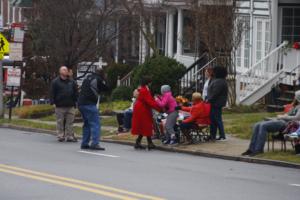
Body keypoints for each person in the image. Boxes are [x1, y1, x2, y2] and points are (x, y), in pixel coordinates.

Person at [242, 91, 300, 156]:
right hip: (281, 120)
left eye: (295, 96)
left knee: (263, 126)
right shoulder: (295, 106)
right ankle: (251, 149)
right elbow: (288, 114)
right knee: (257, 124)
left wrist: (284, 116)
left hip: (287, 124)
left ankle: (259, 150)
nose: (294, 97)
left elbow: (297, 118)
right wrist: (281, 116)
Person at [78, 68, 109, 150]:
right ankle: (95, 143)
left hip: (81, 103)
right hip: (89, 104)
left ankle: (84, 143)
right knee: (96, 124)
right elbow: (106, 88)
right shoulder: (98, 79)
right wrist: (106, 80)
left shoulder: (87, 78)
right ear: (102, 74)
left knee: (87, 124)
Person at [131, 76, 161, 150]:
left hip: (142, 108)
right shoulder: (145, 90)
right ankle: (149, 143)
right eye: (150, 82)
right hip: (143, 109)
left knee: (144, 126)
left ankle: (139, 142)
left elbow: (149, 100)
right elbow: (149, 101)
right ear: (148, 82)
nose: (151, 83)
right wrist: (159, 108)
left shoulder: (143, 89)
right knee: (146, 125)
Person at [50, 66, 78, 142]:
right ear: (60, 72)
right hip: (59, 105)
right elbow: (52, 93)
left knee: (70, 122)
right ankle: (60, 135)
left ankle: (69, 136)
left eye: (66, 70)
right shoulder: (55, 82)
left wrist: (76, 102)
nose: (65, 71)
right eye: (64, 70)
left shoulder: (72, 82)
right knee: (60, 121)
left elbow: (76, 92)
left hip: (70, 105)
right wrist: (53, 102)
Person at [207, 66, 228, 141]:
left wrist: (208, 100)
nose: (213, 72)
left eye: (214, 71)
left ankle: (222, 135)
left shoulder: (219, 81)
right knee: (213, 120)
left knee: (217, 119)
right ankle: (213, 135)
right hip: (215, 103)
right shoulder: (218, 80)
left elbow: (215, 93)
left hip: (216, 103)